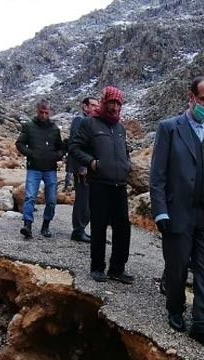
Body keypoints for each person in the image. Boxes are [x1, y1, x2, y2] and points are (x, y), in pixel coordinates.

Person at [150, 76, 204, 352]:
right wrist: (160, 212)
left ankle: (202, 325)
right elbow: (157, 175)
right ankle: (174, 306)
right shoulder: (169, 128)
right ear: (191, 97)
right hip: (177, 214)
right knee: (177, 266)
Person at [69, 86, 134, 284]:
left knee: (123, 227)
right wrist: (91, 162)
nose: (115, 107)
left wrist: (127, 164)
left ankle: (117, 268)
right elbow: (74, 147)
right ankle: (97, 267)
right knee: (98, 227)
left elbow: (123, 150)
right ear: (104, 103)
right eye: (111, 103)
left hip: (119, 184)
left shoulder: (120, 128)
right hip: (99, 183)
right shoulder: (90, 124)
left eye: (118, 104)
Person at [15, 98, 65, 239]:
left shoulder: (54, 129)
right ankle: (27, 225)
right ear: (37, 111)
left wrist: (57, 156)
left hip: (50, 169)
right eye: (41, 112)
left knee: (51, 199)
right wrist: (31, 154)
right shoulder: (29, 126)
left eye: (46, 113)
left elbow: (60, 148)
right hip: (34, 168)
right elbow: (19, 143)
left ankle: (46, 225)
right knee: (30, 196)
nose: (44, 115)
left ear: (50, 113)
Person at [67, 97, 99, 243]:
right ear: (84, 106)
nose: (95, 108)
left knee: (89, 199)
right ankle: (78, 230)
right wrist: (81, 167)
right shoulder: (79, 120)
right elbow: (75, 144)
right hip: (82, 168)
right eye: (92, 105)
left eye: (97, 105)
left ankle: (82, 229)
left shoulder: (91, 121)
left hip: (89, 167)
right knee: (82, 199)